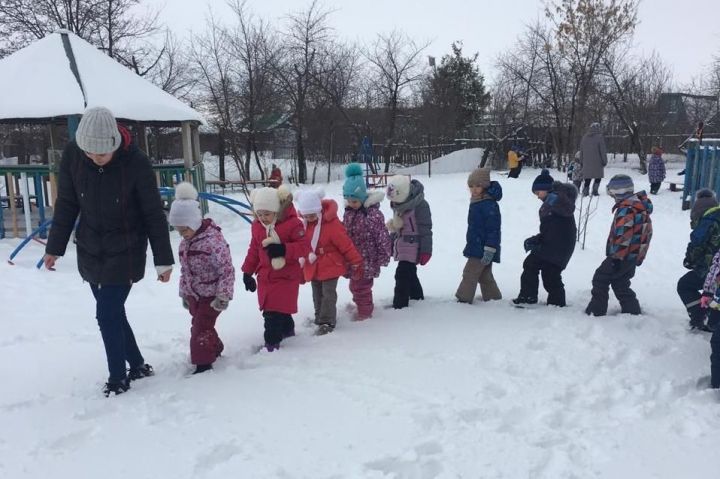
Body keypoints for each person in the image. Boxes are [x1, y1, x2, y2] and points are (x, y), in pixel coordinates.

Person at [43, 106, 174, 397]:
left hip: (126, 247)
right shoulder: (74, 156)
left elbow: (153, 213)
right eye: (89, 153)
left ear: (115, 144)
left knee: (106, 314)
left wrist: (163, 259)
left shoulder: (136, 162)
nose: (94, 158)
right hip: (91, 246)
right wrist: (55, 247)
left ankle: (118, 377)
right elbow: (66, 203)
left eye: (101, 154)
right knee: (113, 313)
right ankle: (137, 364)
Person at [168, 182, 235, 374]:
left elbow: (226, 270)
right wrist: (184, 293)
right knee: (200, 325)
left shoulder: (213, 241)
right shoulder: (185, 243)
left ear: (195, 222)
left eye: (185, 229)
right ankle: (214, 347)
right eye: (179, 231)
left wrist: (223, 295)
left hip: (212, 296)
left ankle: (203, 364)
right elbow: (185, 271)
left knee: (200, 329)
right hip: (194, 295)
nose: (182, 235)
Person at [241, 186, 311, 351]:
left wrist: (284, 249)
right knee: (279, 309)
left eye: (267, 214)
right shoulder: (257, 227)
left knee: (272, 313)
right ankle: (287, 330)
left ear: (276, 211)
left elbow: (304, 247)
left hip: (286, 276)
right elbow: (254, 250)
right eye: (260, 214)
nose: (263, 218)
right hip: (265, 276)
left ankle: (271, 344)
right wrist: (247, 272)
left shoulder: (293, 224)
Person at [295, 188, 363, 335]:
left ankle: (327, 320)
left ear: (318, 210)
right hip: (312, 265)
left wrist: (355, 260)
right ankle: (319, 316)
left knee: (328, 293)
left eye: (312, 215)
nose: (310, 218)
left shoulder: (331, 224)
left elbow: (345, 244)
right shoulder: (303, 225)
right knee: (316, 292)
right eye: (306, 216)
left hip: (331, 263)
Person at [585, 175, 653, 316]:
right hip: (632, 255)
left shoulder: (627, 209)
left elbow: (624, 237)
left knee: (600, 278)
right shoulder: (640, 206)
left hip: (621, 255)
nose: (611, 197)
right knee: (620, 282)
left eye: (612, 193)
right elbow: (647, 234)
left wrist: (616, 258)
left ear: (618, 192)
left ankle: (596, 310)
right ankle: (632, 311)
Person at [513, 170, 577, 307]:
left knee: (550, 274)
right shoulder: (552, 203)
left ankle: (556, 303)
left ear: (546, 189)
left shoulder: (558, 202)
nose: (537, 197)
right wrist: (537, 240)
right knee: (534, 265)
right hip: (552, 246)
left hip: (559, 248)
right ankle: (529, 297)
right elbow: (550, 230)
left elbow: (559, 229)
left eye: (537, 193)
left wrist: (540, 242)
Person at [342, 163, 392, 320]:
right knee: (355, 285)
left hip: (367, 260)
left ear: (363, 197)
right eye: (348, 200)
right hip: (353, 259)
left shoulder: (372, 215)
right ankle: (362, 305)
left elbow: (382, 236)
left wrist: (384, 256)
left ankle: (365, 314)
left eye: (355, 201)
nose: (351, 204)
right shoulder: (349, 213)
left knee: (361, 287)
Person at [455, 168, 503, 304]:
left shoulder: (488, 204)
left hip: (483, 247)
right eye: (471, 186)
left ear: (485, 186)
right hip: (476, 244)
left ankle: (463, 298)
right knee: (484, 275)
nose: (474, 189)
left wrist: (490, 248)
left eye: (478, 186)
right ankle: (493, 298)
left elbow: (493, 229)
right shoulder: (477, 202)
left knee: (469, 273)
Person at [386, 175, 433, 309]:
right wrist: (390, 243)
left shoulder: (420, 206)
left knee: (401, 274)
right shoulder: (399, 205)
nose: (394, 204)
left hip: (414, 246)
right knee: (410, 273)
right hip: (403, 245)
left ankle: (400, 305)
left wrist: (426, 251)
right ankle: (417, 296)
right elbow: (398, 227)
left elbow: (426, 229)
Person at [679, 189, 720, 331]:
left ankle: (701, 317)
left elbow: (697, 243)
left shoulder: (707, 220)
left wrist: (689, 260)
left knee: (684, 285)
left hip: (713, 269)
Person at [579, 122, 608, 197]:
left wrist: (581, 161)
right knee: (598, 177)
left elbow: (581, 151)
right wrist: (604, 161)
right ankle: (595, 191)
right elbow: (602, 151)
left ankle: (585, 192)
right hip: (597, 163)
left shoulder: (584, 137)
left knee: (587, 178)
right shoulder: (600, 137)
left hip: (586, 162)